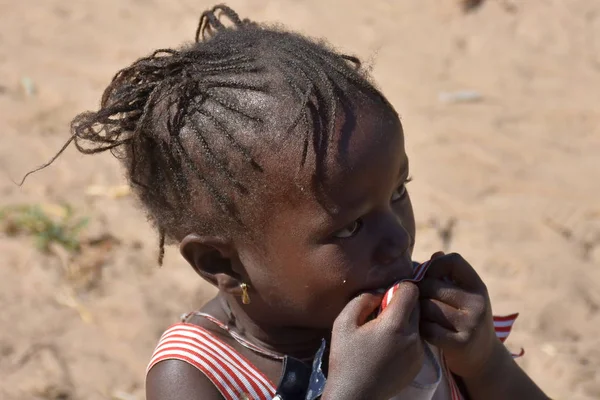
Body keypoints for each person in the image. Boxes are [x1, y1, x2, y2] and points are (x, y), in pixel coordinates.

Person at [34, 4, 550, 399]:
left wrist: (483, 363)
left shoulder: (420, 321)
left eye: (397, 193)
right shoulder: (196, 375)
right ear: (221, 262)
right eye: (348, 229)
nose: (397, 238)